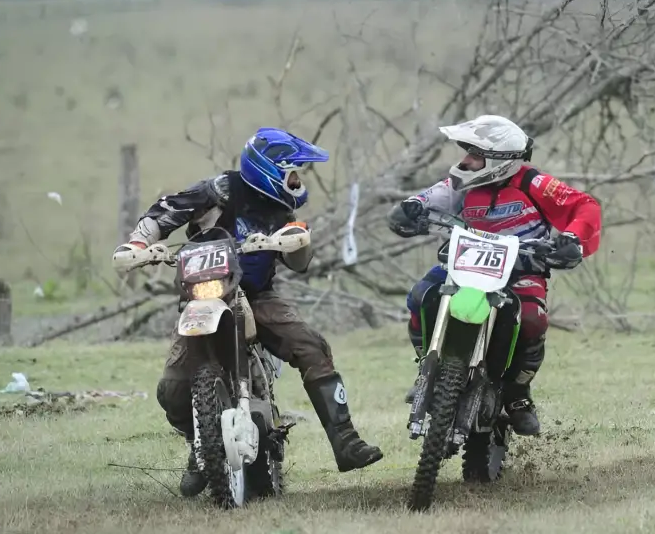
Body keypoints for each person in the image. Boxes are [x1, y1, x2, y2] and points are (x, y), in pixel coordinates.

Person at [112, 128, 383, 497]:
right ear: (271, 169)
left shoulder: (284, 211)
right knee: (172, 391)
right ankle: (201, 447)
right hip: (201, 297)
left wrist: (297, 239)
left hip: (256, 295)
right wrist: (140, 242)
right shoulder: (218, 192)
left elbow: (299, 261)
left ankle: (347, 441)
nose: (298, 181)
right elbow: (165, 211)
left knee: (310, 345)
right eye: (293, 173)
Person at [387, 115, 601, 437]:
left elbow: (584, 206)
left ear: (499, 161)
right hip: (465, 264)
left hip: (522, 269)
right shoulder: (465, 183)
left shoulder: (533, 182)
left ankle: (517, 394)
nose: (465, 161)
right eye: (467, 152)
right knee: (421, 296)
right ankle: (427, 368)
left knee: (531, 320)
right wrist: (413, 206)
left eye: (474, 155)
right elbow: (439, 196)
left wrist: (571, 239)